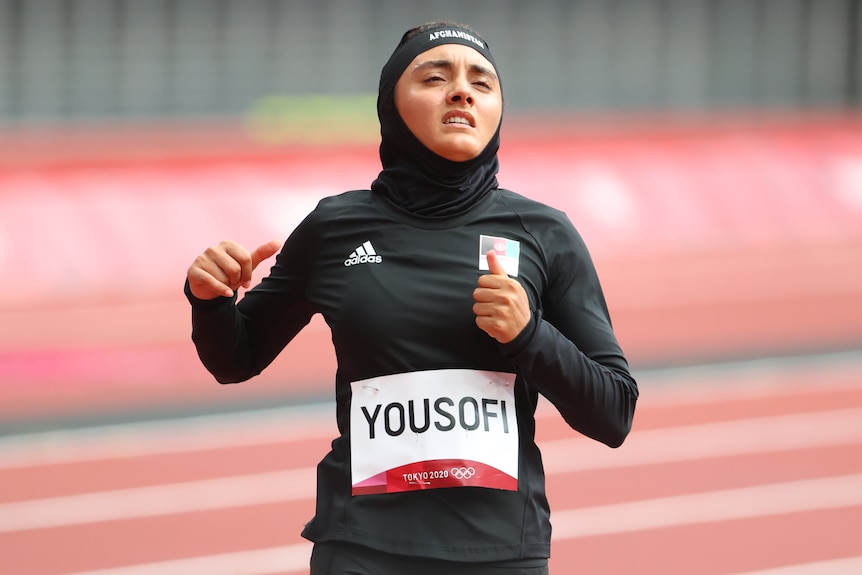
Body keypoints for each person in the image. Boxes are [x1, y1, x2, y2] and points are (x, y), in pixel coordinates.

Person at [185, 20, 638, 575]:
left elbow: (614, 414)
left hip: (500, 553)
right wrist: (208, 303)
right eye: (434, 77)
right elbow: (236, 358)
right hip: (361, 549)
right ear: (391, 105)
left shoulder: (543, 233)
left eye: (482, 81)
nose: (462, 91)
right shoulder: (335, 228)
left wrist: (529, 335)